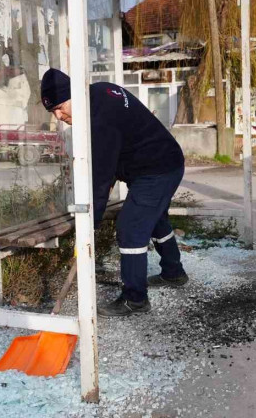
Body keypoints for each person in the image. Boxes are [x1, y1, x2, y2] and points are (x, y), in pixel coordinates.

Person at [40, 68, 188, 317]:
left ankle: (135, 299)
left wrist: (90, 223)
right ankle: (173, 273)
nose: (58, 115)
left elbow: (101, 178)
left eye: (60, 106)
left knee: (131, 228)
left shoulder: (99, 120)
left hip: (156, 169)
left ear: (74, 94)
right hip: (162, 162)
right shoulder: (99, 92)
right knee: (154, 219)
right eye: (52, 111)